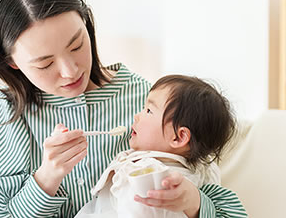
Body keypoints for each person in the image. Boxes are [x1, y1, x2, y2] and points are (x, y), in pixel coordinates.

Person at [0, 0, 247, 217]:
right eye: (46, 63)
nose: (70, 71)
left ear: (88, 26)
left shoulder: (150, 104)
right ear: (12, 62)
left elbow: (217, 199)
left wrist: (192, 203)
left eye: (77, 45)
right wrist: (46, 179)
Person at [75, 75, 245, 218]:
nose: (136, 116)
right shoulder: (206, 169)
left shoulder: (147, 176)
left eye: (148, 111)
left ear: (178, 137)